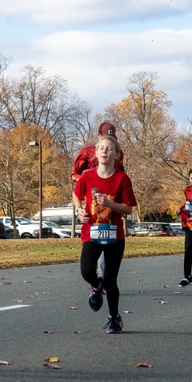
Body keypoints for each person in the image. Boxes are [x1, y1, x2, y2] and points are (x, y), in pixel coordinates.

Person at [73, 135, 137, 334]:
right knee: (86, 271)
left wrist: (109, 204)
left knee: (111, 279)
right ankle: (96, 286)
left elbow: (128, 209)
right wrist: (79, 210)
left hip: (114, 235)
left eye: (109, 149)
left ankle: (114, 317)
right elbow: (77, 195)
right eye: (101, 148)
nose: (104, 151)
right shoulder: (87, 176)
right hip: (91, 233)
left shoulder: (122, 179)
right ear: (96, 152)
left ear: (116, 155)